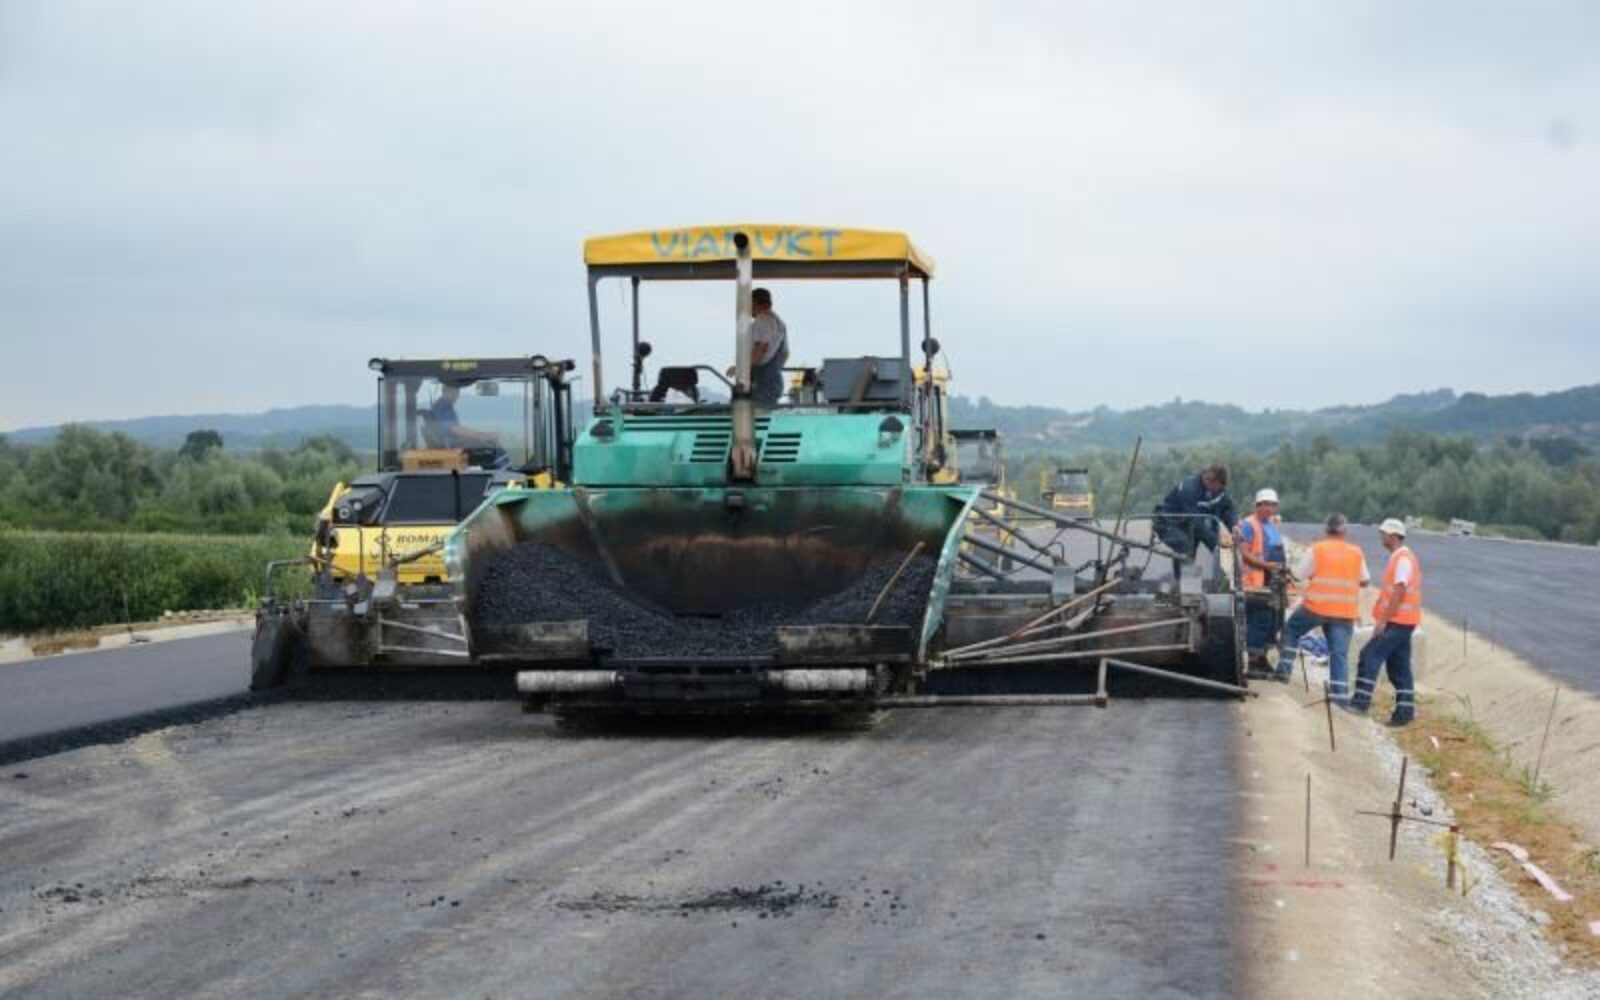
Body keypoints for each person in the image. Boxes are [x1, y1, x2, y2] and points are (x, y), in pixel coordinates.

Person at [1274, 513, 1369, 697]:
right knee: (1339, 654)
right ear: (1345, 531)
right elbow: (1365, 581)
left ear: (1326, 529)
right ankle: (1339, 697)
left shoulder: (1317, 549)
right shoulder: (1356, 552)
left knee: (1291, 630)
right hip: (1344, 611)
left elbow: (1298, 576)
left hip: (1316, 607)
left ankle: (1283, 671)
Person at [1349, 518, 1422, 726]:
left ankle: (1360, 702)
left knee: (1369, 655)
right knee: (1399, 667)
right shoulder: (1401, 557)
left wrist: (1383, 621)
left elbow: (1399, 591)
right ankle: (1404, 713)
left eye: (1384, 533)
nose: (1381, 536)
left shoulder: (1402, 559)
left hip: (1397, 621)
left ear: (1394, 536)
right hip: (1404, 621)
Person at [1236, 488, 1287, 677]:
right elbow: (1244, 553)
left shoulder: (1271, 525)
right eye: (1265, 505)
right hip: (1254, 583)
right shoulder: (1249, 525)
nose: (1269, 508)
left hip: (1272, 581)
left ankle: (1262, 657)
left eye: (1272, 505)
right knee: (1258, 620)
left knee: (1273, 621)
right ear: (1257, 506)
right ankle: (1254, 661)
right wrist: (1268, 566)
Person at [1153, 465, 1237, 575]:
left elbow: (1228, 510)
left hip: (1190, 525)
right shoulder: (1189, 488)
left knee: (1221, 549)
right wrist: (1216, 542)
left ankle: (1227, 578)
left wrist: (1234, 525)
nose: (1220, 490)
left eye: (1221, 487)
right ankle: (1183, 581)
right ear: (1210, 481)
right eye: (1218, 486)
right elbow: (1196, 522)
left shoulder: (1218, 491)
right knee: (1184, 546)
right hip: (1169, 522)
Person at [749, 287, 789, 406]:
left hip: (763, 382)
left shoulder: (762, 320)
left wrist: (742, 368)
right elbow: (785, 354)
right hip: (774, 380)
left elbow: (761, 348)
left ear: (754, 303)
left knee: (753, 413)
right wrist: (774, 370)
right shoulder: (780, 323)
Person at [425, 384, 498, 448]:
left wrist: (483, 435)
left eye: (457, 391)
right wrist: (482, 436)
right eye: (452, 391)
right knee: (491, 448)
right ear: (444, 392)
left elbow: (457, 432)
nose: (456, 395)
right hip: (451, 449)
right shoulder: (442, 407)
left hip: (454, 445)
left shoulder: (447, 407)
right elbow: (455, 429)